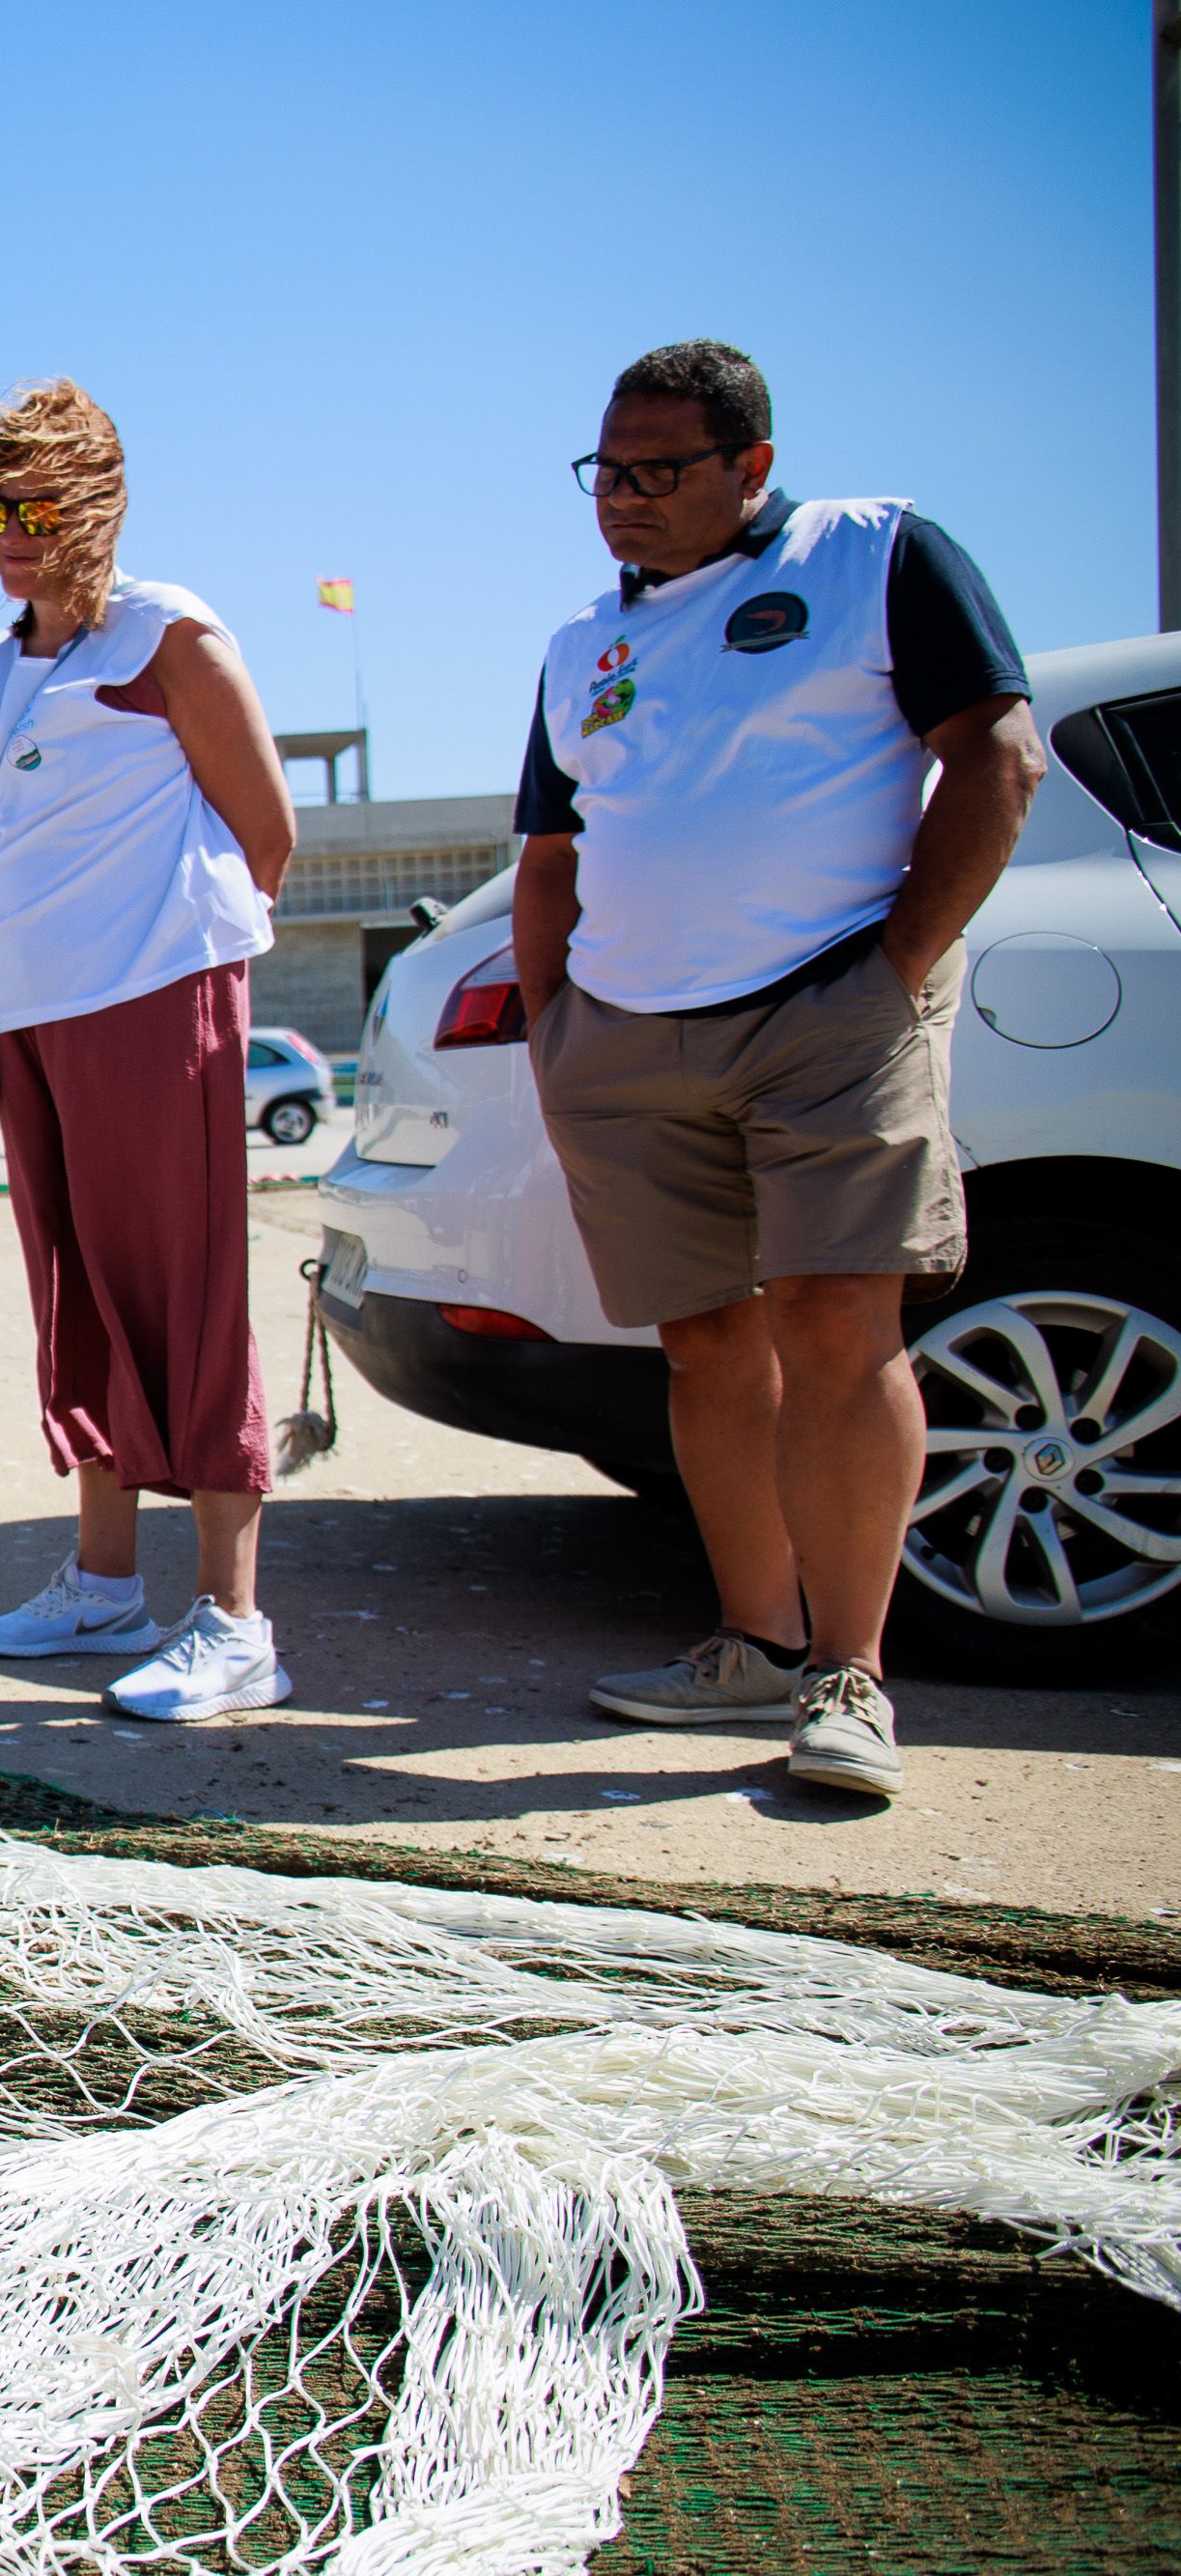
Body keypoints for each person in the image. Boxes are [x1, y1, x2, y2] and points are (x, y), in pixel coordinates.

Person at [513, 341, 1040, 1800]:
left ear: (751, 465)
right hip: (625, 1033)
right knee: (702, 1343)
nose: (622, 497)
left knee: (834, 1323)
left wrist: (892, 973)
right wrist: (558, 1026)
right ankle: (752, 1636)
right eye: (606, 471)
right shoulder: (580, 645)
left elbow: (997, 751)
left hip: (828, 1006)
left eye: (659, 470)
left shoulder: (874, 553)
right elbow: (551, 852)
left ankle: (850, 1675)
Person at [0, 382, 300, 1725]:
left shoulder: (170, 637)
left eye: (44, 504)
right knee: (74, 1289)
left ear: (103, 504)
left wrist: (177, 957)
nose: (17, 530)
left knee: (186, 1286)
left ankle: (236, 1618)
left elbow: (268, 831)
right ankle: (105, 1578)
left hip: (153, 993)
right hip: (34, 1008)